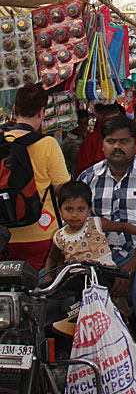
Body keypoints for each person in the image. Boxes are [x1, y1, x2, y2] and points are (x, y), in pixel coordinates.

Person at [78, 115, 136, 392]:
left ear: (135, 143)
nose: (117, 147)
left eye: (124, 141)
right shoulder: (88, 179)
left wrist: (128, 270)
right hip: (98, 257)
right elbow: (80, 227)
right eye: (111, 142)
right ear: (102, 144)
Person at [6, 84, 70, 271]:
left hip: (5, 235)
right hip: (42, 234)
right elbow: (62, 189)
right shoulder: (48, 144)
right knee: (39, 291)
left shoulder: (2, 144)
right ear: (42, 112)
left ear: (15, 110)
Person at [44, 180, 136, 275]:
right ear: (60, 210)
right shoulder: (60, 237)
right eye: (69, 209)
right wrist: (47, 277)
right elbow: (52, 258)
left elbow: (122, 227)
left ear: (89, 209)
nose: (74, 215)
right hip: (78, 278)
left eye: (80, 209)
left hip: (104, 274)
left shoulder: (96, 224)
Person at [77, 102, 136, 175]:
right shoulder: (133, 135)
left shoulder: (91, 140)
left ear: (97, 115)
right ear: (118, 112)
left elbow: (82, 171)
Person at [61, 108, 89, 179]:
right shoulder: (68, 143)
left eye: (85, 123)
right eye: (80, 123)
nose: (83, 127)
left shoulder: (86, 138)